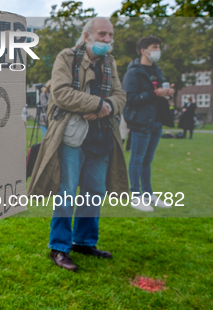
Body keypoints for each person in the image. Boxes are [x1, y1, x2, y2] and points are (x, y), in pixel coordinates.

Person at [28, 18, 128, 272]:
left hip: (102, 136)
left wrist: (106, 107)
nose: (107, 39)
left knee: (94, 192)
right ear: (87, 36)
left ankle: (84, 242)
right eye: (102, 34)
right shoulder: (67, 56)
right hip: (72, 136)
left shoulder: (110, 62)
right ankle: (59, 247)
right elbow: (60, 93)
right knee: (67, 192)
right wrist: (97, 104)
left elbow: (120, 96)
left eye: (110, 35)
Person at [122, 36, 175, 212]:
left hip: (156, 121)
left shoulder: (157, 70)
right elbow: (129, 99)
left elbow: (158, 94)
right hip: (140, 122)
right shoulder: (134, 72)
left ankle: (148, 194)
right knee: (137, 159)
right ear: (144, 51)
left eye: (159, 47)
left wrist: (167, 93)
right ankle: (135, 196)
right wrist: (155, 94)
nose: (158, 50)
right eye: (155, 47)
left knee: (147, 160)